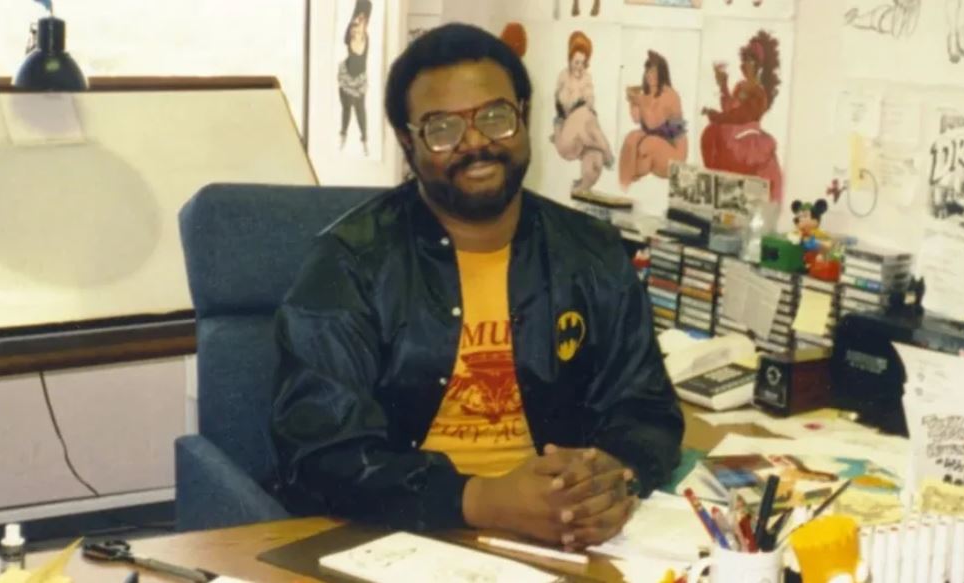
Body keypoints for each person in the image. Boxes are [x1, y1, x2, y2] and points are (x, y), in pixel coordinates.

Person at [272, 23, 684, 549]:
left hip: (563, 532)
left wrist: (610, 478)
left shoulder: (593, 252)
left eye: (495, 117)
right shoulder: (348, 264)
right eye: (442, 128)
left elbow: (646, 410)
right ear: (407, 141)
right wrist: (481, 500)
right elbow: (320, 455)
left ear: (524, 115)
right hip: (393, 536)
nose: (476, 144)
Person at [700, 30, 784, 203]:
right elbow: (729, 109)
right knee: (712, 132)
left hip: (747, 142)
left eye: (749, 61)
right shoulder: (740, 86)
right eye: (743, 60)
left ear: (759, 66)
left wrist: (715, 116)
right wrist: (723, 85)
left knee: (714, 132)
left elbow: (740, 116)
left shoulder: (759, 92)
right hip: (733, 136)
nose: (744, 65)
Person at [552, 31, 615, 196]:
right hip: (569, 125)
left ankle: (583, 184)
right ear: (570, 60)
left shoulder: (586, 77)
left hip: (585, 122)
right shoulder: (564, 76)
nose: (579, 66)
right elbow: (562, 103)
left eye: (583, 62)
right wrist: (577, 103)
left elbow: (590, 99)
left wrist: (586, 102)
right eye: (576, 62)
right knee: (586, 119)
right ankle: (606, 149)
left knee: (596, 161)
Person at [618, 50, 688, 190]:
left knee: (646, 145)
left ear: (662, 74)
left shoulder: (669, 94)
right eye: (648, 71)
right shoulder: (645, 95)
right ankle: (624, 184)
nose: (651, 75)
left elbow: (652, 124)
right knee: (631, 138)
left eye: (655, 72)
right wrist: (632, 102)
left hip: (674, 151)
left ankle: (626, 183)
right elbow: (636, 119)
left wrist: (639, 101)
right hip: (655, 143)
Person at [338, 0, 372, 155]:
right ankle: (342, 136)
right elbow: (348, 38)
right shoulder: (351, 31)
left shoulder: (365, 36)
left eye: (363, 16)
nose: (360, 18)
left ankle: (364, 141)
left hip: (358, 79)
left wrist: (359, 28)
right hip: (347, 75)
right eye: (358, 14)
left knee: (360, 111)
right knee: (346, 109)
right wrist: (355, 24)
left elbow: (359, 47)